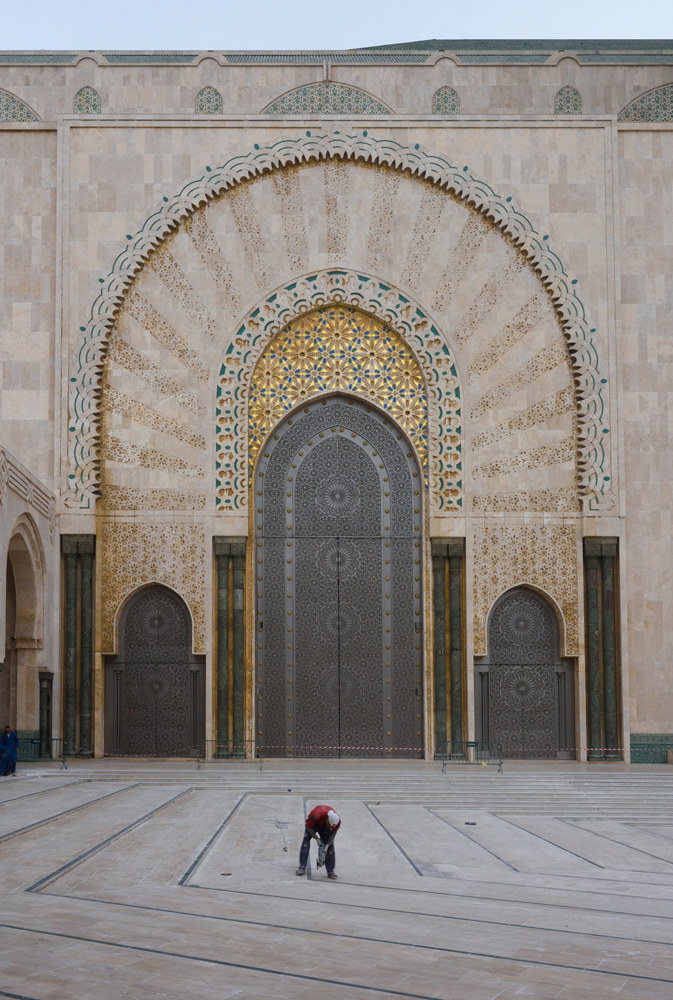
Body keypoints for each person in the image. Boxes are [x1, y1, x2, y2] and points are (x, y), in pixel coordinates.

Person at [296, 804, 341, 879]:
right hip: (314, 823)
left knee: (331, 848)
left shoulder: (337, 821)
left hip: (324, 825)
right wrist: (316, 838)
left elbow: (333, 833)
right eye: (330, 825)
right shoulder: (316, 815)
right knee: (305, 842)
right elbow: (308, 826)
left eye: (332, 827)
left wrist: (327, 845)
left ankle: (331, 871)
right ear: (327, 819)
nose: (331, 827)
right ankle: (302, 867)